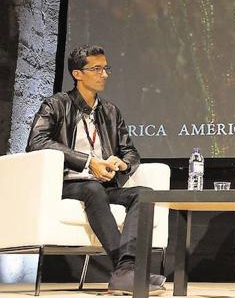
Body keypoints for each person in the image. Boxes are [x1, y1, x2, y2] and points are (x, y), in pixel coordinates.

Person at [26, 45, 165, 295]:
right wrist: (89, 161)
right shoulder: (56, 104)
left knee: (145, 194)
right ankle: (126, 272)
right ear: (77, 74)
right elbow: (37, 141)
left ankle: (126, 270)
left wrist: (120, 163)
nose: (104, 74)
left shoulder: (110, 111)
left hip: (103, 185)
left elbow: (131, 152)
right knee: (91, 188)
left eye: (105, 68)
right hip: (68, 184)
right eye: (97, 69)